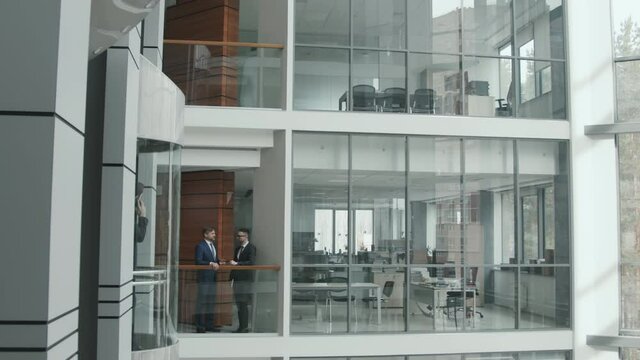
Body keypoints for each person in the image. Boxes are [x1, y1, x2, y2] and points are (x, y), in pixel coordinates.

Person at [194, 226, 222, 333]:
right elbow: (198, 261)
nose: (214, 235)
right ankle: (200, 326)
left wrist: (219, 262)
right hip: (204, 278)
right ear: (206, 234)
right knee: (201, 302)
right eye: (212, 233)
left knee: (211, 302)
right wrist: (210, 263)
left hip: (213, 278)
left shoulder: (212, 245)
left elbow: (214, 259)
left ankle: (209, 325)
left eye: (214, 233)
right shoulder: (200, 246)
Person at [229, 228, 256, 333]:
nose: (238, 238)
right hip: (237, 280)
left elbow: (251, 262)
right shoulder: (237, 249)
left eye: (240, 236)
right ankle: (241, 327)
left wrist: (237, 264)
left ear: (246, 236)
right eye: (238, 236)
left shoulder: (251, 248)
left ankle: (244, 327)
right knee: (239, 304)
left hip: (245, 280)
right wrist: (231, 278)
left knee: (243, 303)